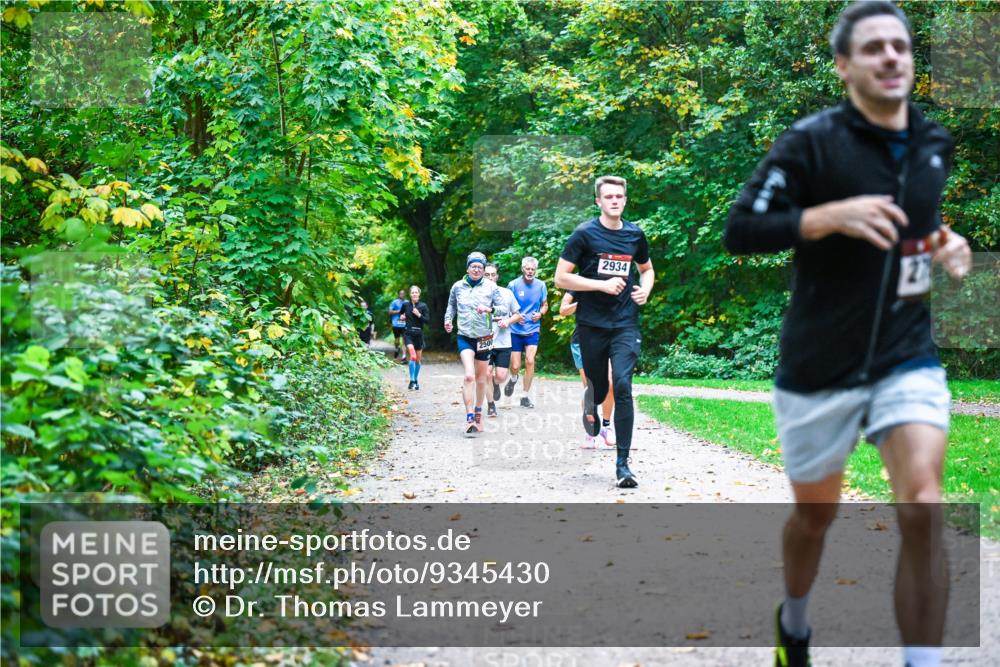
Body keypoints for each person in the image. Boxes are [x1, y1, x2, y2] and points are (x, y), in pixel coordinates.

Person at [723, 3, 972, 666]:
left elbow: (917, 222)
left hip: (904, 355)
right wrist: (826, 216)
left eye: (901, 46)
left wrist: (945, 241)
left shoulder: (934, 142)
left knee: (923, 504)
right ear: (844, 65)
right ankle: (795, 622)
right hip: (819, 363)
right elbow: (740, 230)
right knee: (815, 518)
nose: (891, 56)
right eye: (873, 47)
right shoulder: (810, 143)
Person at [554, 175, 654, 488]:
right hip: (591, 324)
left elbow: (647, 269)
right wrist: (600, 285)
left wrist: (645, 290)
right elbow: (561, 278)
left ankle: (623, 464)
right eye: (608, 196)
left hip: (625, 323)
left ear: (625, 200)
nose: (614, 201)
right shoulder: (584, 234)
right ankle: (591, 404)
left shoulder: (635, 234)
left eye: (619, 196)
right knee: (597, 389)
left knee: (622, 385)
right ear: (598, 201)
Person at [444, 252, 510, 435]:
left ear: (483, 269)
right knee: (469, 376)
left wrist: (490, 309)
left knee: (481, 379)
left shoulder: (491, 287)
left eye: (480, 267)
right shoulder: (458, 286)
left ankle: (479, 415)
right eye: (473, 266)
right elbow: (451, 306)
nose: (476, 269)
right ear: (467, 268)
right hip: (465, 336)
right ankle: (469, 417)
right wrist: (448, 320)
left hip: (484, 338)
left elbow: (504, 308)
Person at [559, 290, 615, 448]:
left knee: (610, 384)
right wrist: (583, 303)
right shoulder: (579, 284)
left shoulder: (612, 282)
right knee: (590, 388)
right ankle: (590, 432)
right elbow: (563, 310)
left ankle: (606, 427)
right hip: (582, 341)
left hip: (606, 340)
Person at [505, 257, 548, 408]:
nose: (530, 271)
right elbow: (506, 305)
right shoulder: (513, 285)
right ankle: (513, 378)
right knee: (515, 366)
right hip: (515, 330)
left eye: (533, 269)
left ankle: (524, 396)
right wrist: (514, 316)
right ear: (523, 269)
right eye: (528, 269)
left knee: (530, 361)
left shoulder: (541, 285)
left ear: (536, 270)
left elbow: (545, 304)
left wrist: (540, 314)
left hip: (533, 329)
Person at [483, 263, 524, 418]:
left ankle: (495, 383)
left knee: (501, 376)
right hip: (484, 341)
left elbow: (518, 315)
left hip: (503, 341)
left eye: (493, 274)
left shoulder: (507, 293)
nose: (490, 277)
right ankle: (491, 405)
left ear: (497, 276)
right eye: (487, 275)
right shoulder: (478, 295)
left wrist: (507, 321)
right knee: (487, 372)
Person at [401, 285, 429, 390]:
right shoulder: (405, 305)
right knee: (413, 356)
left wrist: (419, 315)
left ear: (419, 294)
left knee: (417, 360)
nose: (414, 294)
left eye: (416, 292)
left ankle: (415, 380)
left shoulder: (423, 306)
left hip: (419, 334)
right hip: (408, 333)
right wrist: (402, 317)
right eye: (412, 292)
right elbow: (401, 314)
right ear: (410, 294)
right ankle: (412, 380)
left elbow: (427, 320)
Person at [389, 289, 408, 361]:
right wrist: (399, 311)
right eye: (401, 293)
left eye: (403, 293)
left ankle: (404, 356)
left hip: (405, 324)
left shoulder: (407, 302)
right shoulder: (394, 302)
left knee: (405, 340)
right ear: (398, 294)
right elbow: (390, 312)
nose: (402, 295)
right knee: (397, 341)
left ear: (405, 294)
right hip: (396, 324)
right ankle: (397, 348)